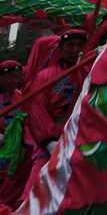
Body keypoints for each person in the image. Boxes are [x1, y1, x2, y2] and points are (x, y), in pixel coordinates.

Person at [23, 29, 88, 198]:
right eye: (70, 45)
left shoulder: (91, 72)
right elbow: (37, 110)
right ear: (61, 47)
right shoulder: (45, 76)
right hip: (52, 137)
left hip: (82, 135)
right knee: (38, 190)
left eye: (81, 45)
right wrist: (49, 141)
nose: (75, 49)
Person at [0, 61, 30, 210]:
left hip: (13, 150)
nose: (16, 81)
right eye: (11, 77)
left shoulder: (21, 96)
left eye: (18, 77)